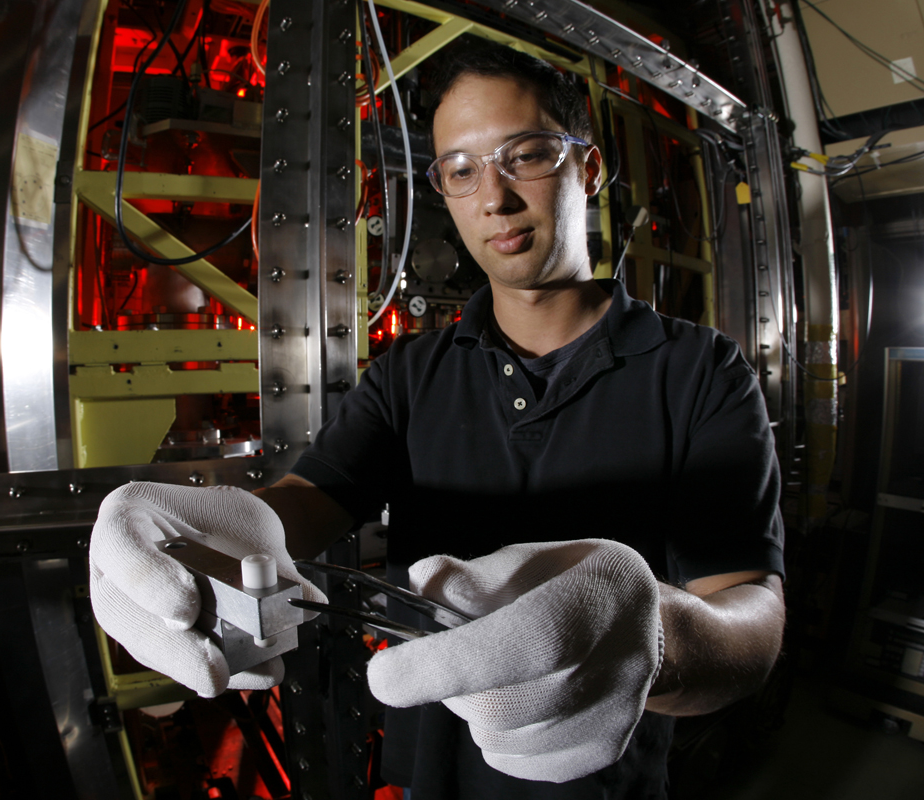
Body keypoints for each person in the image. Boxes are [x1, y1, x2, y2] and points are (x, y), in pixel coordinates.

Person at [91, 45, 786, 799]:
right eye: (461, 169)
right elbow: (296, 513)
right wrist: (199, 548)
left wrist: (657, 637)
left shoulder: (698, 372)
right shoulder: (409, 377)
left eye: (526, 155)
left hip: (600, 777)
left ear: (588, 170)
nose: (494, 197)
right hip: (431, 779)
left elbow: (752, 621)